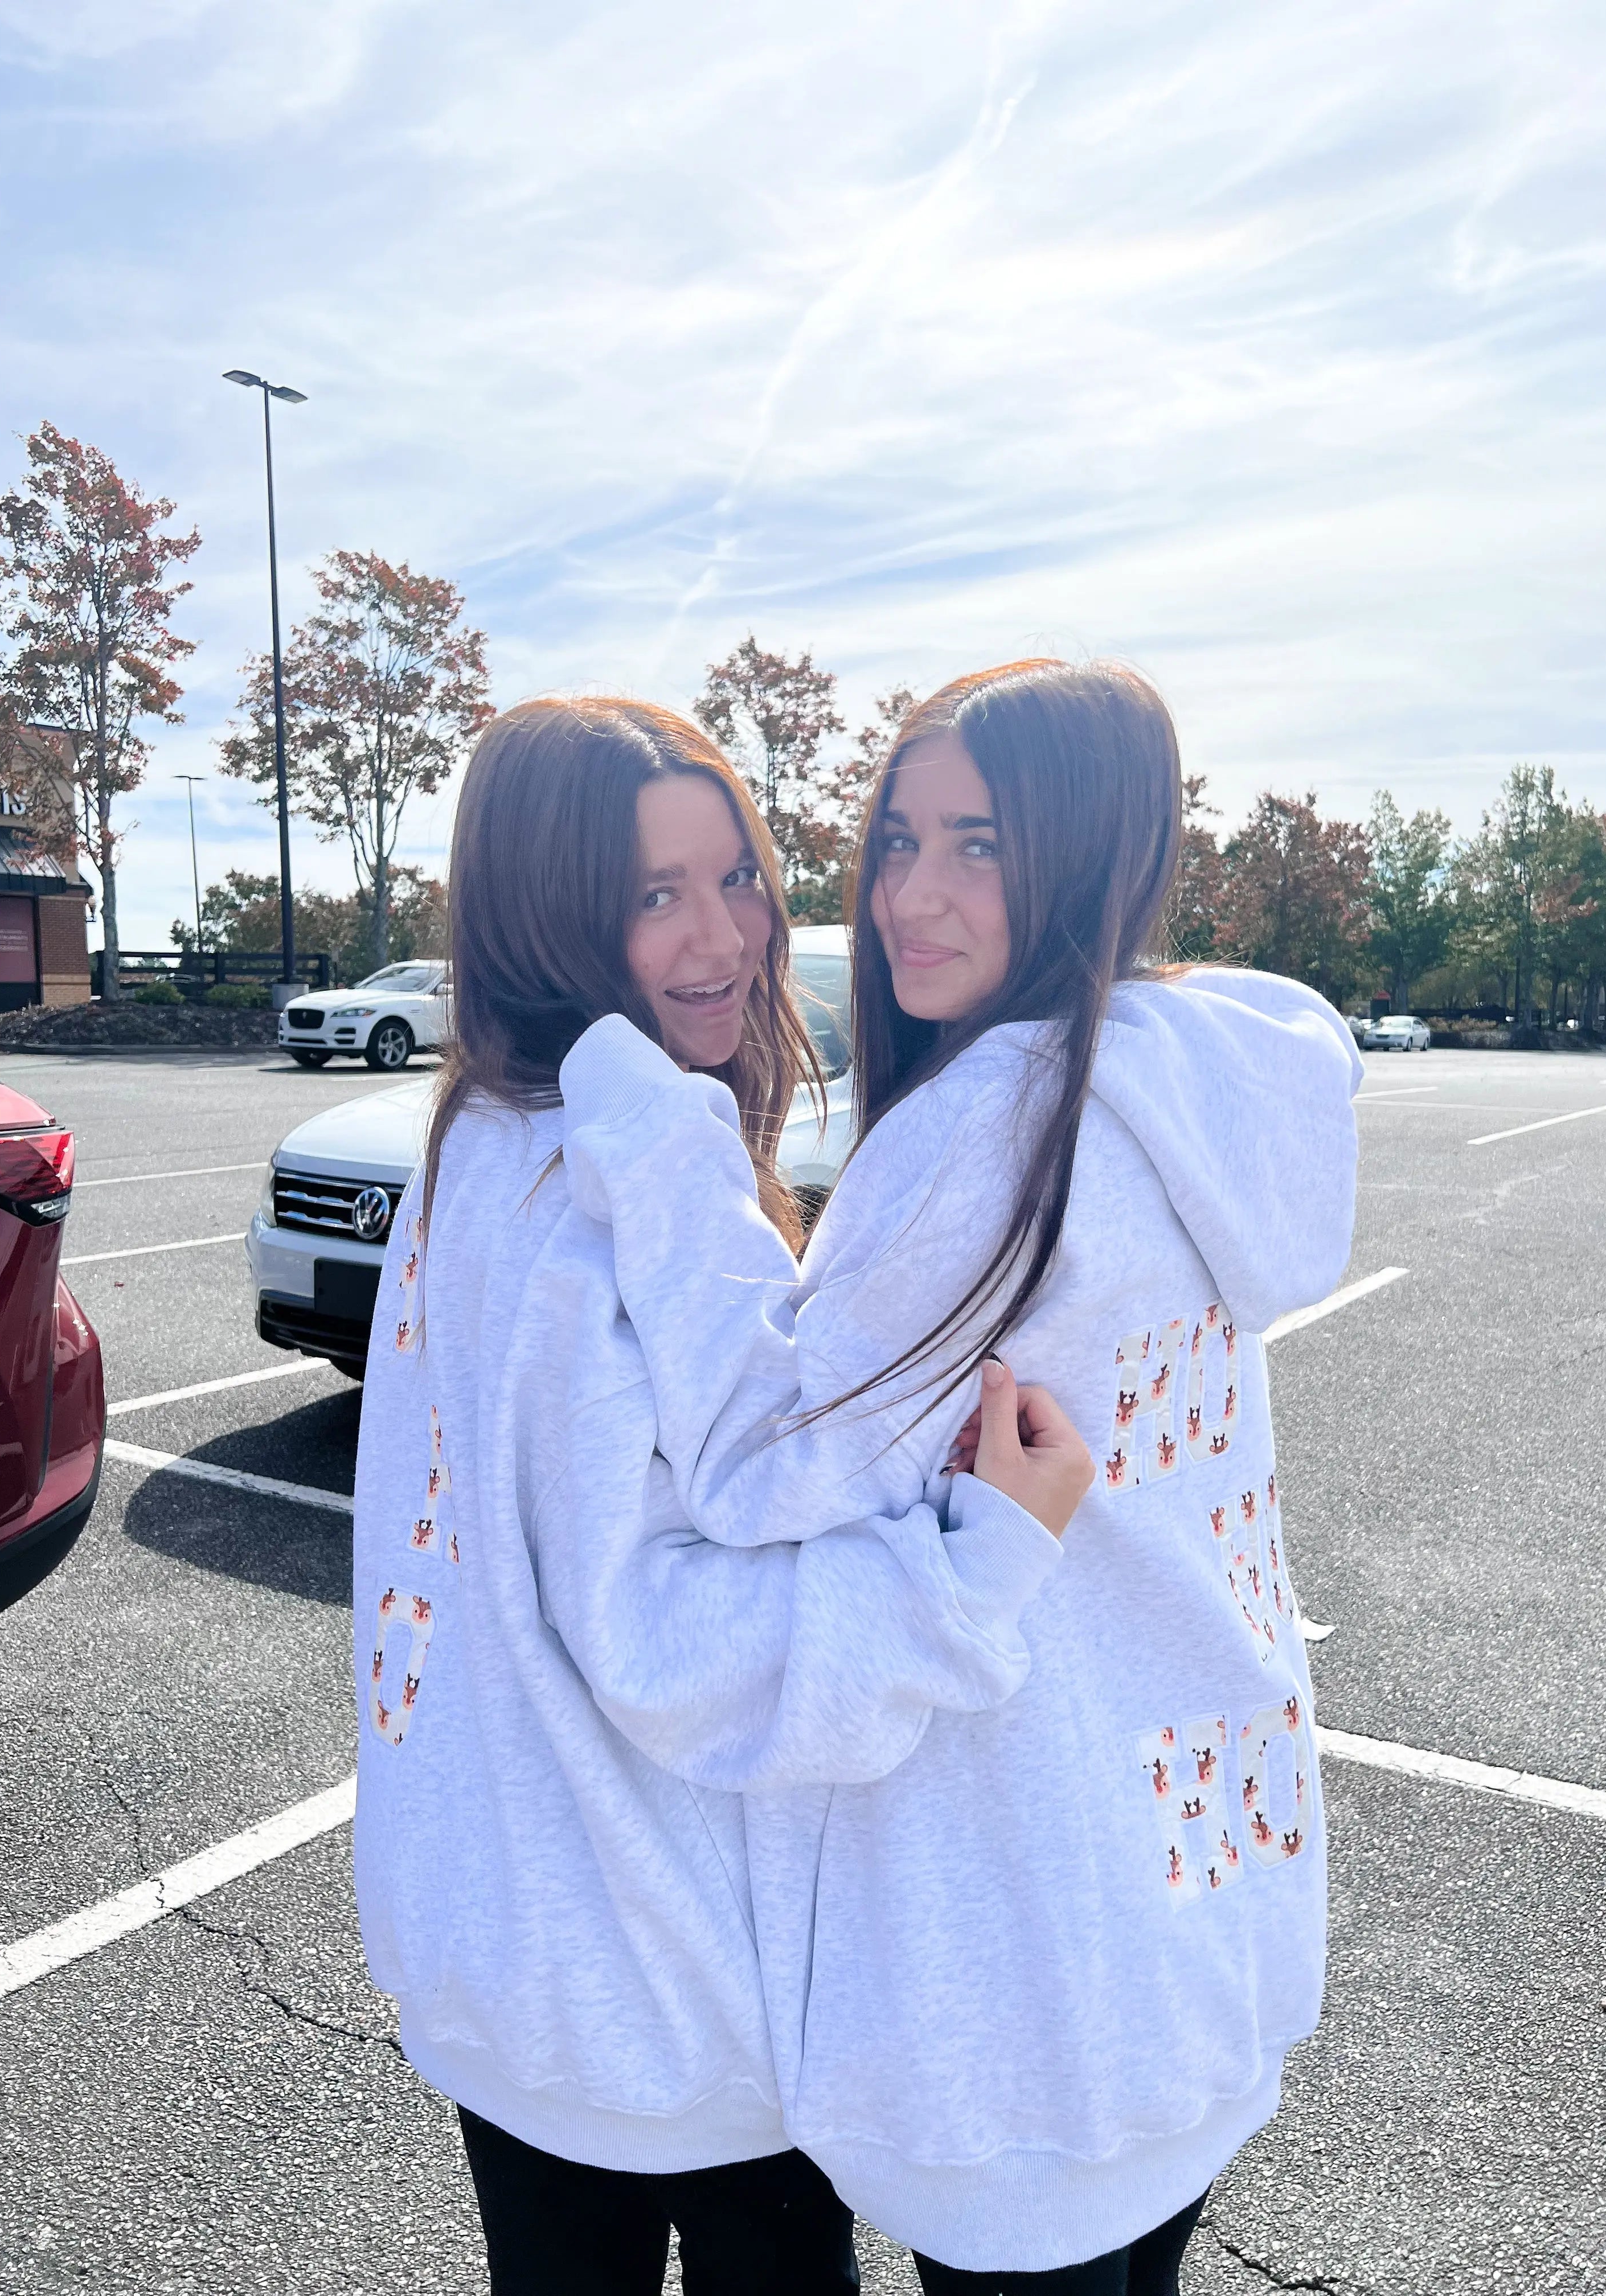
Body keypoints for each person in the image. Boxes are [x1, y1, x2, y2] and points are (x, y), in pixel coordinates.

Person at [554, 658, 1366, 2290]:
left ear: (1089, 853)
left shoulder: (994, 1129)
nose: (912, 897)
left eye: (981, 846)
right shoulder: (1195, 1085)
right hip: (1200, 1896)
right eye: (900, 840)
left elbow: (760, 1466)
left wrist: (654, 1137)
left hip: (1029, 1963)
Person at [350, 695, 1093, 2296]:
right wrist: (979, 1567)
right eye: (652, 896)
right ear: (546, 920)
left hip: (514, 1952)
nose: (726, 939)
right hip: (662, 1983)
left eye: (736, 876)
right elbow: (664, 1639)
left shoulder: (477, 1149)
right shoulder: (603, 1196)